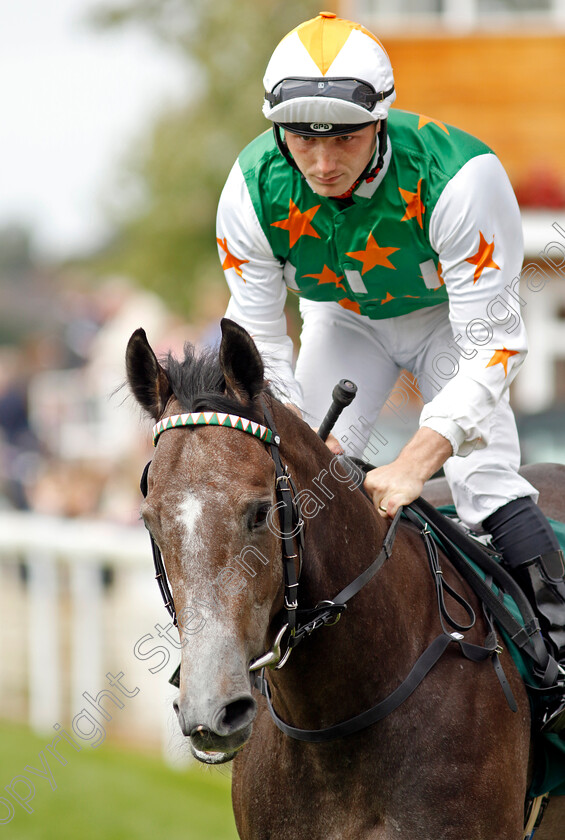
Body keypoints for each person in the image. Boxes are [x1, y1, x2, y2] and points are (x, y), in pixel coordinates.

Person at [216, 12, 565, 680]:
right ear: (276, 130)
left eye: (343, 137)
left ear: (379, 121)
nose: (321, 163)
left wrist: (413, 462)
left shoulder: (462, 178)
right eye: (300, 138)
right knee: (298, 480)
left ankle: (552, 655)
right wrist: (296, 442)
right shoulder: (251, 188)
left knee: (479, 478)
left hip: (448, 326)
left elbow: (492, 347)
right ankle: (250, 658)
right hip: (343, 321)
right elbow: (259, 344)